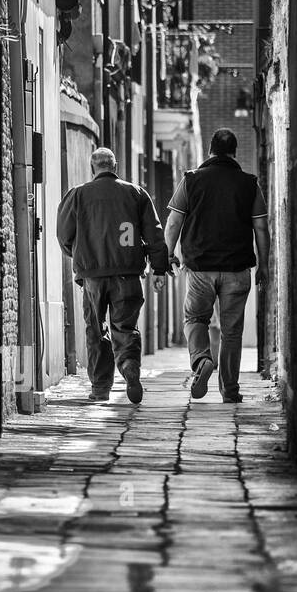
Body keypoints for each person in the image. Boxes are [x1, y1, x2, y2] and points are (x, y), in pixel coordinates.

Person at [163, 129, 270, 402]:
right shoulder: (250, 184)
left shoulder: (191, 181)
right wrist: (265, 266)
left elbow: (174, 223)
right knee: (231, 331)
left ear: (210, 151)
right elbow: (261, 228)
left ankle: (201, 361)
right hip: (237, 269)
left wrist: (167, 255)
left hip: (200, 268)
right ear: (234, 152)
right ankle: (230, 391)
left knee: (196, 318)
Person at [57, 147, 169, 404]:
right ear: (115, 166)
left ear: (92, 167)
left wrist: (79, 255)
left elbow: (64, 235)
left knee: (96, 330)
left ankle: (100, 388)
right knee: (125, 327)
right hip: (127, 275)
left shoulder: (77, 195)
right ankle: (129, 366)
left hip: (93, 275)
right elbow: (154, 233)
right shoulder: (136, 193)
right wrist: (159, 268)